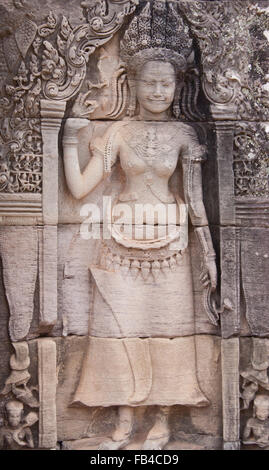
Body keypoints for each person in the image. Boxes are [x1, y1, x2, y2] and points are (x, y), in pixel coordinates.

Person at [63, 1, 217, 450]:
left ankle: (163, 420)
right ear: (133, 82)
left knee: (169, 332)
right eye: (149, 82)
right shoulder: (117, 134)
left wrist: (208, 252)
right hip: (118, 243)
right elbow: (79, 189)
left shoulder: (186, 136)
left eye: (165, 83)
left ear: (176, 86)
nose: (157, 91)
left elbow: (194, 203)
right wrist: (71, 139)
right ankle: (124, 420)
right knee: (115, 328)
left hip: (171, 245)